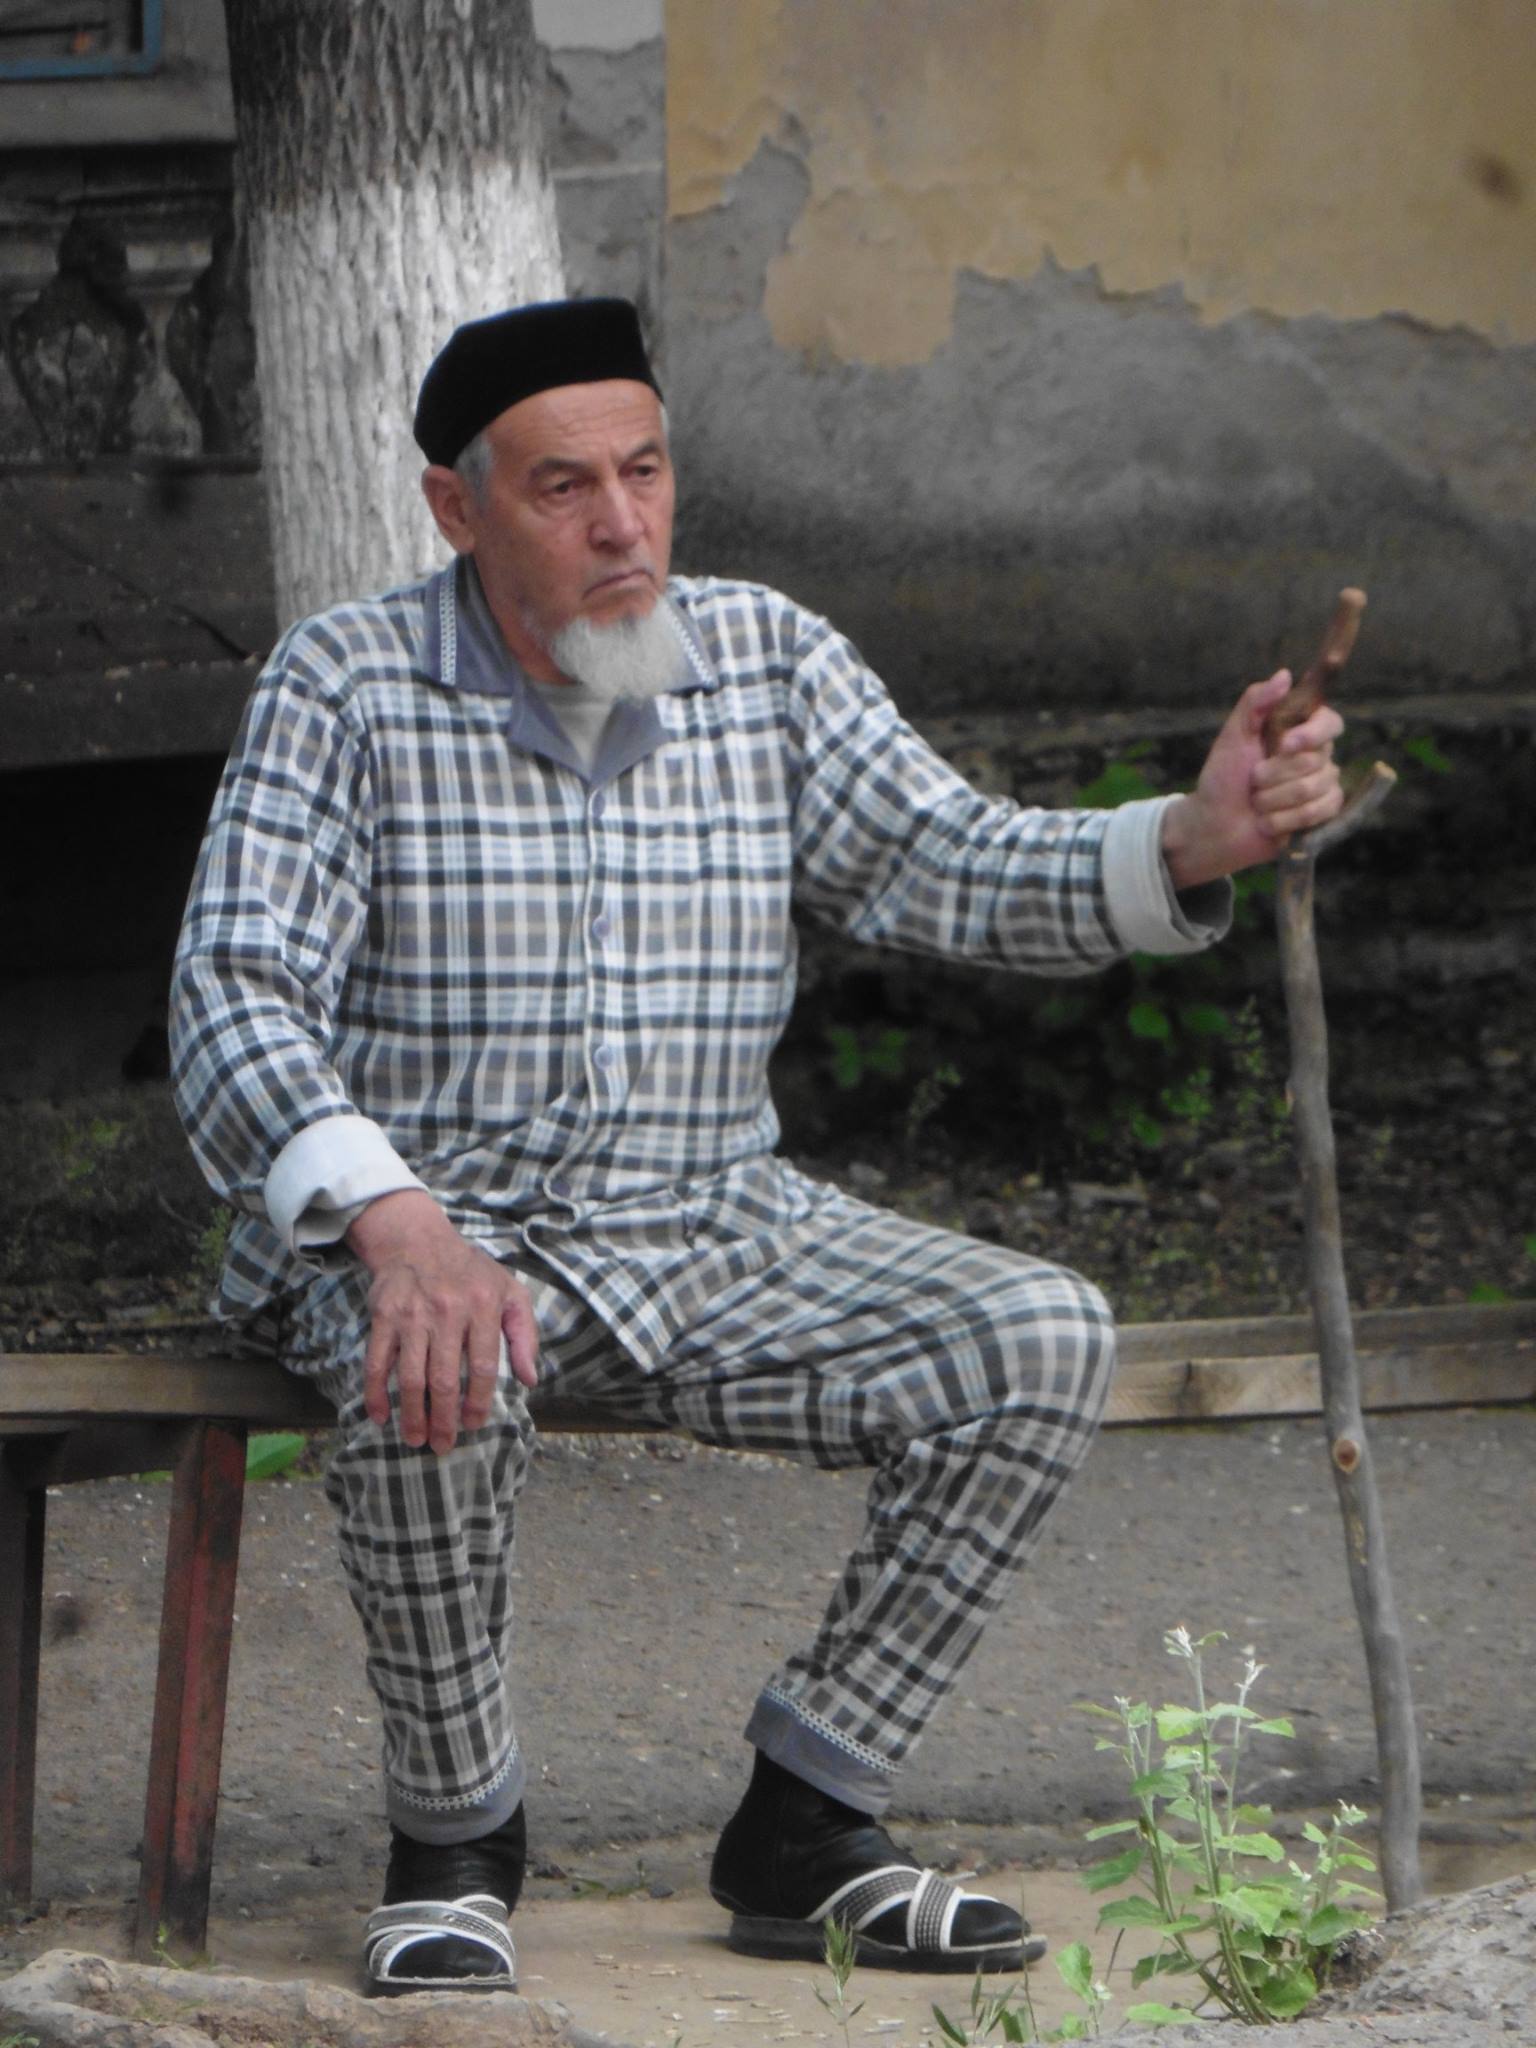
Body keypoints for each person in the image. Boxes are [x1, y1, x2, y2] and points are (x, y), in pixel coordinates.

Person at [171, 297, 1344, 1994]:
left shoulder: (767, 661)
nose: (622, 524)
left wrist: (1197, 830)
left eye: (644, 472)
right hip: (440, 1240)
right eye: (563, 487)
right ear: (457, 509)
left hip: (717, 1224)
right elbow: (233, 989)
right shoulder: (343, 687)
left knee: (1035, 1336)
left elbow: (954, 861)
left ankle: (808, 1820)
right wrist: (397, 1221)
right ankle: (454, 1842)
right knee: (438, 1354)